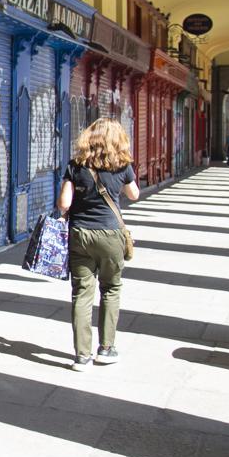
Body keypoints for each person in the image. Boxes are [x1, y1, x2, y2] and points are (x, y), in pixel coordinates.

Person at [58, 118, 140, 371]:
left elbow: (64, 203)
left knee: (82, 293)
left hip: (80, 234)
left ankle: (81, 356)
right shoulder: (122, 166)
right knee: (111, 289)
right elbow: (134, 195)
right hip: (110, 235)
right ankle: (106, 349)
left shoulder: (76, 166)